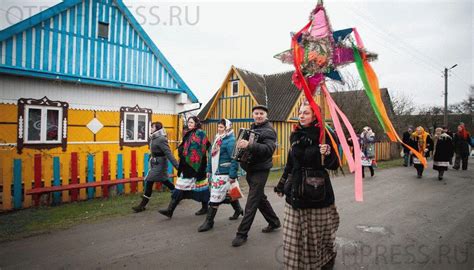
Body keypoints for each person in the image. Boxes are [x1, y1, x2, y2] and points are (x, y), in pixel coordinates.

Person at [274, 103, 340, 269]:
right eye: (300, 112)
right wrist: (281, 185)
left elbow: (334, 165)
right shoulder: (296, 135)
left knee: (316, 238)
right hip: (295, 193)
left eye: (306, 113)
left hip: (317, 192)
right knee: (292, 238)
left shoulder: (323, 135)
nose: (301, 116)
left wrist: (328, 152)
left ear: (315, 116)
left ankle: (322, 263)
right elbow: (291, 164)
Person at [231, 105, 281, 247]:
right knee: (259, 198)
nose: (258, 115)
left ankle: (242, 234)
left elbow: (268, 149)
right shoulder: (252, 128)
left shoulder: (269, 130)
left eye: (261, 113)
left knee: (252, 201)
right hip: (250, 168)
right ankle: (274, 221)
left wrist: (249, 145)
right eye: (256, 113)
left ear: (266, 115)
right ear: (253, 114)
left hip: (261, 170)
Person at [158, 116, 211, 218]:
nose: (189, 124)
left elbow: (203, 148)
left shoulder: (200, 133)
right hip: (186, 166)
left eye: (191, 122)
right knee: (180, 187)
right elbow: (185, 147)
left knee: (200, 187)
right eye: (188, 122)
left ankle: (205, 208)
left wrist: (195, 160)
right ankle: (170, 210)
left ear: (196, 123)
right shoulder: (189, 133)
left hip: (196, 167)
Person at [197, 119, 243, 232]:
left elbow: (234, 159)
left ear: (228, 128)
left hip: (224, 174)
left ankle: (209, 222)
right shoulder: (218, 139)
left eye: (222, 127)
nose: (219, 129)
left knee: (215, 198)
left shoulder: (231, 141)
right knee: (229, 194)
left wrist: (232, 175)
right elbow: (211, 155)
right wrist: (209, 170)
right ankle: (239, 210)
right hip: (216, 173)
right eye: (218, 127)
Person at [132, 122, 179, 212]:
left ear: (157, 128)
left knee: (149, 180)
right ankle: (177, 194)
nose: (150, 128)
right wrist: (151, 156)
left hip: (161, 164)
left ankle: (142, 205)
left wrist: (177, 166)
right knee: (164, 180)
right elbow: (154, 150)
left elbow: (168, 153)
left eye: (152, 127)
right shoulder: (154, 137)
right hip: (155, 163)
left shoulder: (161, 139)